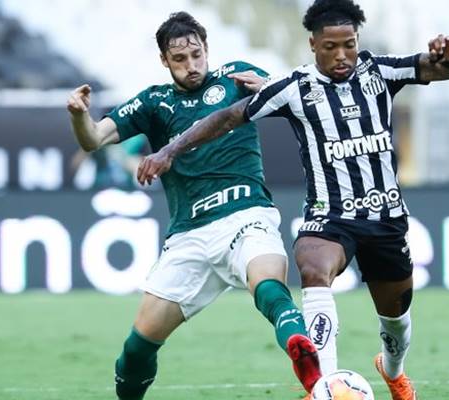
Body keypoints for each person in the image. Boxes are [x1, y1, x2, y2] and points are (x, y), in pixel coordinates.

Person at [136, 1, 449, 399]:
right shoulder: (294, 87)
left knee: (395, 321)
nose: (341, 55)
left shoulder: (379, 71)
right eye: (331, 47)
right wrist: (169, 150)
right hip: (330, 217)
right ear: (313, 45)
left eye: (349, 45)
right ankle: (324, 385)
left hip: (385, 219)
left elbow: (443, 70)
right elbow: (227, 117)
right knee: (312, 266)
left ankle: (392, 370)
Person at [66, 11, 322, 400]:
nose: (191, 65)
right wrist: (79, 116)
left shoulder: (236, 78)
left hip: (246, 215)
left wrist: (272, 85)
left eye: (197, 54)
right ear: (164, 60)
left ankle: (310, 371)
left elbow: (295, 97)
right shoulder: (154, 102)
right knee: (137, 348)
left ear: (206, 49)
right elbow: (92, 139)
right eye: (180, 59)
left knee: (269, 286)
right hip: (189, 237)